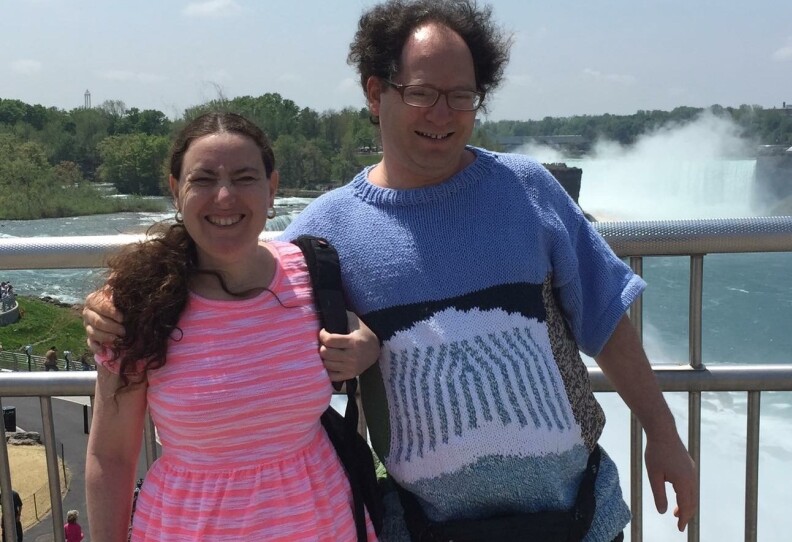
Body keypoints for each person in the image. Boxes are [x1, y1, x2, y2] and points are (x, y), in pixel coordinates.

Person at [84, 1, 697, 540]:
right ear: (377, 93)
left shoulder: (529, 189)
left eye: (463, 94)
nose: (444, 112)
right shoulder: (326, 231)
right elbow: (233, 250)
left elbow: (606, 318)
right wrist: (123, 297)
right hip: (424, 524)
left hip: (575, 516)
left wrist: (664, 435)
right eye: (423, 92)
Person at [84, 112, 378, 541]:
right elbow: (110, 456)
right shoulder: (138, 304)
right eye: (203, 179)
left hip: (324, 523)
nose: (224, 196)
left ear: (272, 188)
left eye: (244, 178)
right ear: (175, 190)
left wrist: (367, 344)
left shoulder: (312, 274)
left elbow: (353, 331)